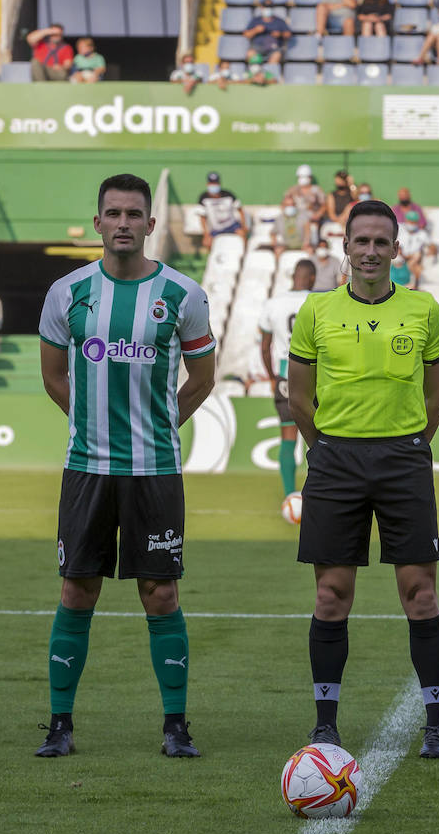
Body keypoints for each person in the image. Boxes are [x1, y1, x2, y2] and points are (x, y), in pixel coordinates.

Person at [35, 173, 216, 759]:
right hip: (86, 467)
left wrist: (162, 426)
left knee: (160, 592)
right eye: (112, 213)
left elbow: (203, 379)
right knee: (76, 588)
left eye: (133, 215)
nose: (122, 224)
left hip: (155, 470)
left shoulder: (184, 295)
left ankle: (176, 726)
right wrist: (89, 422)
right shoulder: (67, 292)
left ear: (150, 225)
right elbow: (54, 377)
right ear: (97, 223)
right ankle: (60, 725)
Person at [287, 199, 439, 758]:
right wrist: (327, 448)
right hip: (335, 463)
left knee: (420, 594)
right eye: (363, 241)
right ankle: (326, 724)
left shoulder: (424, 309)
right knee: (332, 595)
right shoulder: (317, 311)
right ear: (346, 247)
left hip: (403, 460)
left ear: (397, 249)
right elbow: (299, 396)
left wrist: (409, 445)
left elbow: (437, 395)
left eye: (383, 242)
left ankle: (436, 723)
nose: (372, 251)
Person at [259, 261, 316, 506]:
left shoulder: (273, 303)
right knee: (319, 437)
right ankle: (318, 493)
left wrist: (273, 377)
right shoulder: (320, 302)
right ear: (312, 278)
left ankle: (289, 495)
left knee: (288, 435)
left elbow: (264, 347)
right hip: (315, 374)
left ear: (293, 276)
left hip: (285, 374)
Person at [197, 172, 245, 249]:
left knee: (242, 234)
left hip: (231, 225)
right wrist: (206, 234)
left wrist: (243, 226)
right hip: (216, 228)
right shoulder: (203, 198)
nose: (214, 185)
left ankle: (242, 257)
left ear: (219, 184)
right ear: (208, 184)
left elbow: (240, 210)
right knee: (207, 242)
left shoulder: (228, 195)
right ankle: (212, 259)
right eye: (212, 183)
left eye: (216, 183)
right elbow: (202, 218)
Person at [244, 0, 292, 66]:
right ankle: (256, 73)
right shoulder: (256, 20)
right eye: (265, 7)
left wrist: (280, 34)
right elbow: (246, 34)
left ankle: (270, 74)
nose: (267, 9)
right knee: (250, 53)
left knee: (276, 55)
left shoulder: (279, 21)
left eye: (269, 7)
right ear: (262, 8)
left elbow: (288, 34)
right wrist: (255, 30)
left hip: (274, 48)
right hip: (258, 48)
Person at [399, 210, 435, 283]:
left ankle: (417, 282)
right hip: (400, 257)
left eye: (414, 222)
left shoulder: (422, 234)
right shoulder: (399, 230)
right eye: (410, 221)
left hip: (414, 260)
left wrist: (429, 252)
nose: (411, 224)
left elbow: (432, 247)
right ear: (406, 220)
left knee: (417, 257)